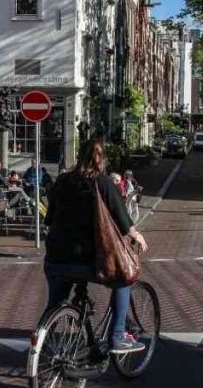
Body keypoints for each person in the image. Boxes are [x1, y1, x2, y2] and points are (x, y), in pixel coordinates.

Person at [41, 138, 148, 354]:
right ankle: (117, 337)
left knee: (55, 303)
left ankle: (43, 341)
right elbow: (121, 217)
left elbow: (49, 218)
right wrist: (136, 236)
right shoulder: (103, 183)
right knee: (123, 280)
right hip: (89, 259)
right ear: (102, 159)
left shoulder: (61, 181)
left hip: (56, 257)